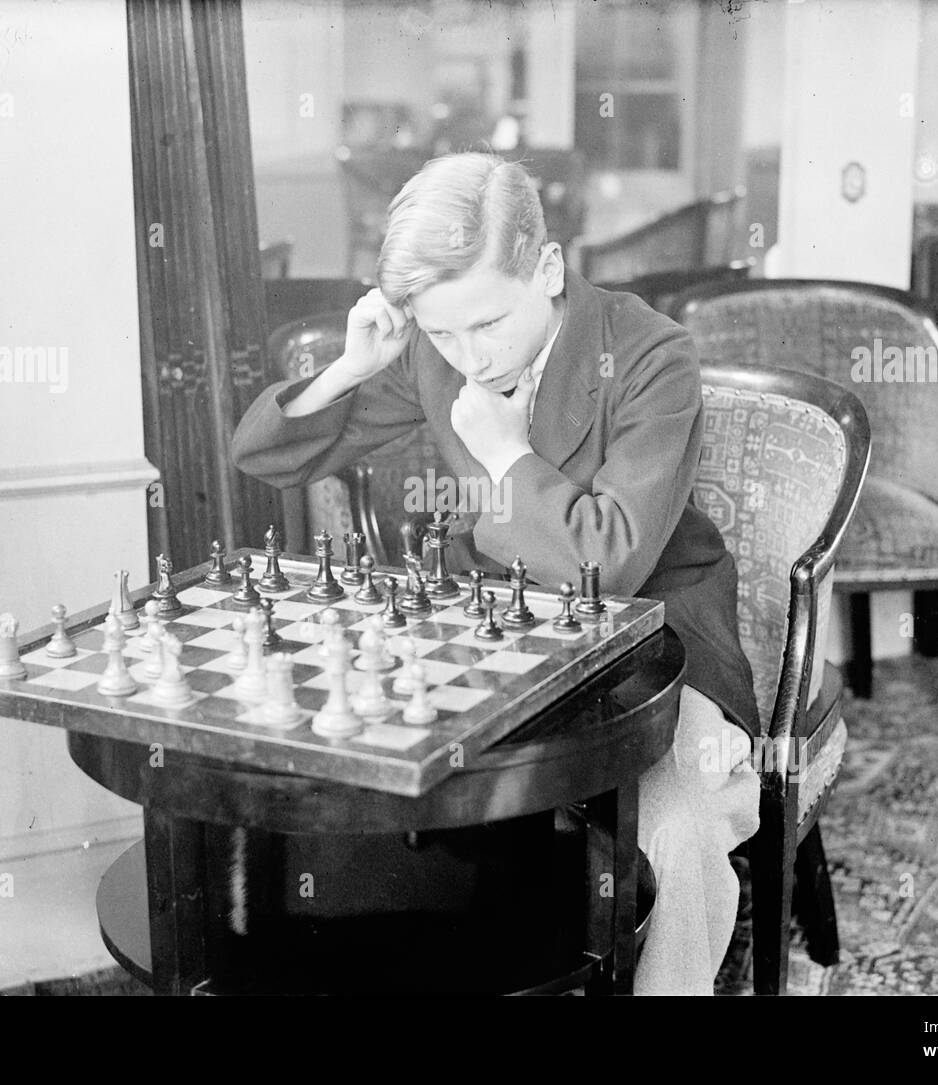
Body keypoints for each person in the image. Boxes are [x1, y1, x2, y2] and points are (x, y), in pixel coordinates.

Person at [231, 152, 760, 995]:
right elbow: (262, 455)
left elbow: (611, 559)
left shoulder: (653, 353)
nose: (469, 359)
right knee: (372, 784)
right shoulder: (438, 351)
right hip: (503, 633)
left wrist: (504, 452)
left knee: (678, 818)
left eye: (488, 325)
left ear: (546, 269)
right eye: (443, 333)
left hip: (658, 639)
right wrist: (355, 367)